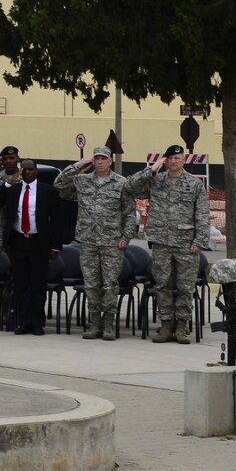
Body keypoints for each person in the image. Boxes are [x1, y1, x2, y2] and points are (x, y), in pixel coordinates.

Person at [126, 145, 209, 343]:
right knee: (162, 284)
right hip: (161, 242)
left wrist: (200, 241)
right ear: (165, 161)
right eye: (170, 158)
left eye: (177, 158)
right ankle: (165, 324)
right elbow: (130, 187)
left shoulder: (194, 184)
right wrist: (152, 170)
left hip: (186, 244)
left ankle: (181, 326)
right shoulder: (156, 181)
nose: (173, 161)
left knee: (185, 286)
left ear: (183, 159)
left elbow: (203, 215)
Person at [57, 146, 132, 339]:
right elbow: (59, 184)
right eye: (96, 158)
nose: (100, 162)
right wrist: (79, 165)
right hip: (88, 240)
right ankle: (95, 323)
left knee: (109, 284)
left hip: (112, 242)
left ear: (110, 161)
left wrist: (126, 238)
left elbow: (130, 213)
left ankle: (108, 324)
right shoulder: (82, 181)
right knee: (91, 284)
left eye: (103, 158)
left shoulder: (121, 183)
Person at [0, 161, 70, 335]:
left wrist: (56, 246)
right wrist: (7, 184)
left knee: (38, 284)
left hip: (39, 243)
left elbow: (58, 221)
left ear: (36, 172)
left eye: (30, 169)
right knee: (20, 285)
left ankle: (37, 323)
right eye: (24, 169)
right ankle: (23, 322)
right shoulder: (13, 190)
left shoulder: (47, 191)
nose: (27, 172)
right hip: (18, 241)